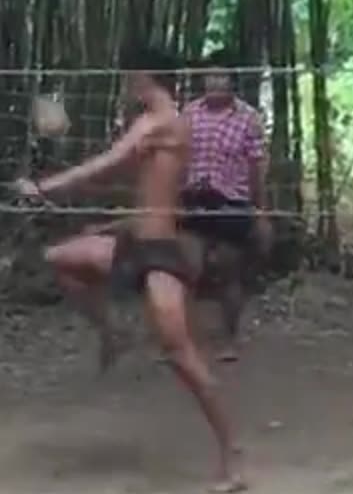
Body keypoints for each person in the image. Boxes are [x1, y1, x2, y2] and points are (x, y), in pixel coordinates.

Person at [14, 49, 245, 492]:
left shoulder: (161, 121)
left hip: (160, 252)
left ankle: (231, 455)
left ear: (146, 78)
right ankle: (112, 334)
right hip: (135, 240)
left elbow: (106, 163)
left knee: (182, 357)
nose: (126, 85)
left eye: (130, 78)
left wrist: (43, 188)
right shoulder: (152, 126)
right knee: (62, 259)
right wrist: (109, 220)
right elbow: (130, 181)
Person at [181, 51, 271, 363]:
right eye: (210, 75)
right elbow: (177, 158)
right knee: (186, 268)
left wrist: (260, 209)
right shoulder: (189, 113)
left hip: (232, 201)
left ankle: (229, 339)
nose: (215, 81)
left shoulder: (248, 118)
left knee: (229, 272)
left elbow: (257, 166)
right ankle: (184, 340)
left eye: (222, 76)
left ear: (234, 81)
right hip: (193, 199)